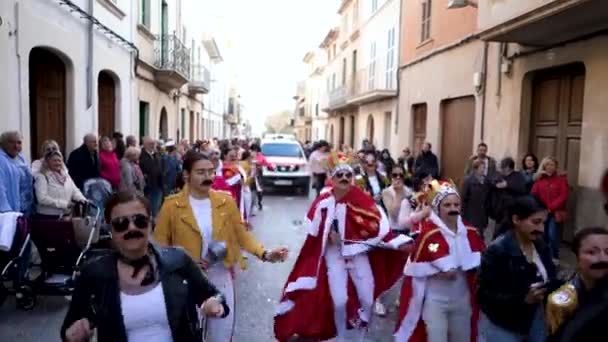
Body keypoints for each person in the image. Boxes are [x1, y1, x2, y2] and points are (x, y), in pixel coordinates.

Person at [275, 152, 412, 342]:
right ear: (333, 178)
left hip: (358, 255)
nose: (344, 178)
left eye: (348, 175)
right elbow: (313, 230)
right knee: (339, 302)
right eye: (340, 175)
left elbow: (379, 228)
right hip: (334, 257)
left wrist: (399, 243)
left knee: (367, 299)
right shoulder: (324, 201)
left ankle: (360, 334)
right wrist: (327, 233)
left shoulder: (363, 200)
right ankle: (341, 337)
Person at [154, 152, 288, 342]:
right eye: (200, 172)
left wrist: (265, 253)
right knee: (190, 335)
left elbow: (241, 235)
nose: (208, 177)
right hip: (186, 280)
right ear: (186, 175)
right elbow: (160, 247)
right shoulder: (170, 206)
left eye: (210, 172)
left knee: (221, 336)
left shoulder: (225, 201)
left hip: (220, 276)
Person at [61, 192, 229, 342]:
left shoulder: (178, 260)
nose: (131, 228)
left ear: (151, 223)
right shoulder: (94, 273)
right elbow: (70, 328)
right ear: (111, 229)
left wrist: (216, 305)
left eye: (140, 221)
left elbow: (215, 295)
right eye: (121, 223)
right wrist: (73, 334)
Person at [394, 180, 486, 342]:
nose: (453, 209)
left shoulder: (470, 232)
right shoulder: (428, 234)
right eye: (447, 205)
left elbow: (479, 263)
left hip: (462, 300)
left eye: (456, 205)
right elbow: (414, 269)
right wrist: (437, 269)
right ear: (437, 208)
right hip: (435, 302)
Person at [477, 196, 560, 342]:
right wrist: (523, 299)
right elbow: (485, 295)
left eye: (543, 223)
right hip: (503, 326)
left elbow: (550, 276)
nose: (541, 229)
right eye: (535, 222)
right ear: (516, 220)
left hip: (535, 320)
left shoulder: (540, 245)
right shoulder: (498, 251)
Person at [546, 226, 608, 342]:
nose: (603, 258)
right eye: (592, 252)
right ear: (576, 256)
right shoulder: (562, 297)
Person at [531, 156, 569, 262]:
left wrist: (551, 207)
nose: (550, 167)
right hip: (542, 213)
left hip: (554, 212)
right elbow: (533, 194)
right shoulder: (539, 180)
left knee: (552, 236)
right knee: (543, 236)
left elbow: (563, 195)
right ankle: (544, 257)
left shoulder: (561, 180)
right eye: (547, 164)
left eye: (552, 164)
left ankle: (554, 257)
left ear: (555, 167)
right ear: (544, 166)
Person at [34, 151, 87, 218]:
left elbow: (75, 191)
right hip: (48, 217)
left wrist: (82, 199)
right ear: (47, 162)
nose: (57, 163)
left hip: (65, 215)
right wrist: (64, 204)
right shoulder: (42, 176)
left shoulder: (66, 176)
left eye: (59, 160)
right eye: (54, 160)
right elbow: (41, 198)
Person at [0, 131, 34, 215]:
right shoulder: (1, 160)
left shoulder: (21, 158)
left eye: (19, 143)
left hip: (25, 208)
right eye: (11, 142)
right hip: (8, 211)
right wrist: (6, 210)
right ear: (2, 144)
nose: (16, 146)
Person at [462, 158, 491, 237]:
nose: (483, 170)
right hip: (471, 214)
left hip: (482, 214)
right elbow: (464, 199)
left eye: (484, 168)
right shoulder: (468, 181)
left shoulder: (486, 181)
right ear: (475, 168)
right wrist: (463, 215)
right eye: (482, 168)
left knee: (480, 237)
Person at [139, 137, 164, 217]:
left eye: (154, 144)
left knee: (156, 208)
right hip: (149, 187)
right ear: (145, 145)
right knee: (150, 209)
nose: (153, 145)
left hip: (158, 185)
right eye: (151, 144)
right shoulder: (141, 155)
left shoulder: (156, 155)